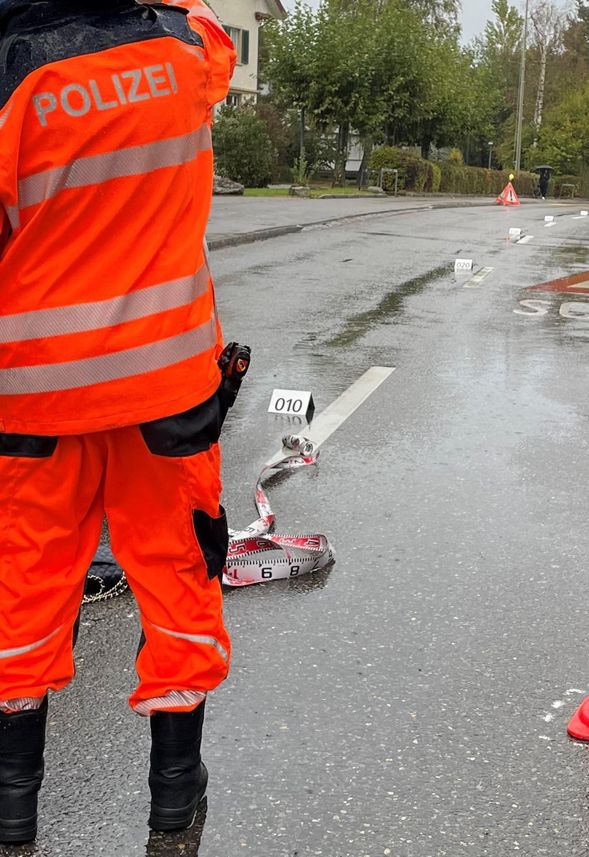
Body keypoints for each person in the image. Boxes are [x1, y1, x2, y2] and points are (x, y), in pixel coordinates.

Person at [0, 0, 239, 842]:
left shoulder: (11, 75)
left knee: (20, 597)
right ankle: (176, 798)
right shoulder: (184, 49)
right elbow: (214, 35)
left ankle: (11, 808)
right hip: (165, 393)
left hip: (36, 399)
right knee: (178, 585)